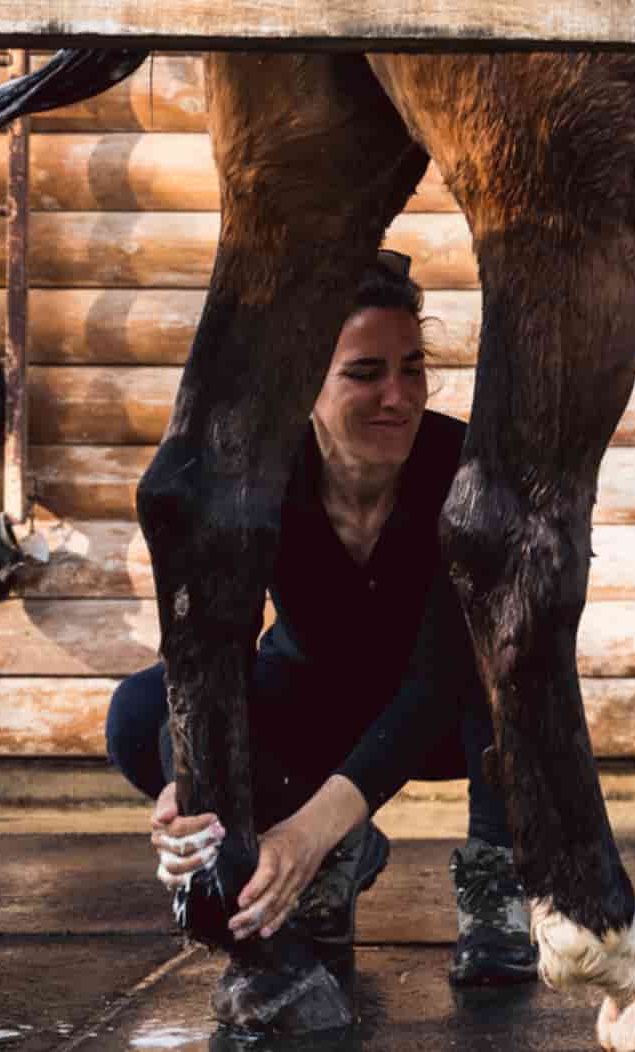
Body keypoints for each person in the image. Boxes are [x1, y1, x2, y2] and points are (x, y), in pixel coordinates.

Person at [104, 250, 537, 995]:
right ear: (304, 378)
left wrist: (308, 829)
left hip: (445, 718)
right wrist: (191, 791)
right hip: (312, 697)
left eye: (412, 367)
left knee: (512, 672)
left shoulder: (464, 467)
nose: (397, 396)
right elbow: (213, 658)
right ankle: (344, 854)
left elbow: (436, 682)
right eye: (365, 373)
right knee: (141, 713)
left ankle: (497, 881)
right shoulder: (259, 474)